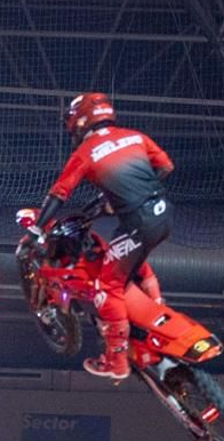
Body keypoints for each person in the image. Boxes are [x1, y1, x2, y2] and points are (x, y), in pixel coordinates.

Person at [24, 92, 174, 380]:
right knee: (123, 255)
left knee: (107, 286)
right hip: (164, 214)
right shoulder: (135, 137)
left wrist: (36, 227)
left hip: (139, 223)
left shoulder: (87, 151)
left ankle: (116, 360)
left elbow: (59, 194)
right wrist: (132, 193)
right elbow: (166, 167)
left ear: (79, 122)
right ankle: (156, 309)